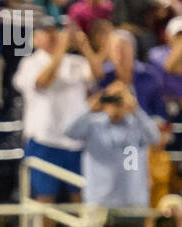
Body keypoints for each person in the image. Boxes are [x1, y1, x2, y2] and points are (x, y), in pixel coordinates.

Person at [12, 21, 95, 206]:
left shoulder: (77, 62)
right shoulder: (30, 63)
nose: (53, 36)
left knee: (79, 198)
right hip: (44, 140)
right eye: (46, 32)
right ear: (35, 39)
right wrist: (62, 49)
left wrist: (85, 46)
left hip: (75, 141)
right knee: (45, 199)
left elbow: (97, 76)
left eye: (55, 32)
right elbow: (43, 82)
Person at [65, 79, 161, 210]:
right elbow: (69, 132)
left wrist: (136, 109)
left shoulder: (137, 125)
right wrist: (90, 107)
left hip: (132, 201)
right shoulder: (93, 125)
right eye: (111, 98)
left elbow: (155, 138)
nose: (115, 104)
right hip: (100, 201)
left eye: (119, 99)